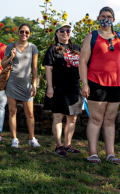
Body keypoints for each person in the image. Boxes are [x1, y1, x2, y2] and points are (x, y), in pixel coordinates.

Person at [79, 6, 120, 164]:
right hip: (96, 83)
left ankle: (110, 153)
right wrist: (85, 84)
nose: (105, 18)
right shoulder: (92, 36)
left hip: (117, 84)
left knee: (109, 119)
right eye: (102, 16)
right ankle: (93, 153)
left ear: (114, 20)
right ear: (98, 18)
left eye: (108, 16)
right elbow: (82, 61)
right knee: (95, 118)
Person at [44, 21, 83, 156]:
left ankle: (68, 145)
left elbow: (83, 67)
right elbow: (48, 69)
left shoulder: (77, 48)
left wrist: (85, 84)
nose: (65, 33)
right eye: (62, 30)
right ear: (56, 33)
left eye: (68, 30)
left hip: (74, 88)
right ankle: (58, 146)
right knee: (58, 117)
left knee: (72, 118)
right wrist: (50, 87)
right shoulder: (53, 49)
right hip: (58, 88)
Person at [2, 23, 40, 149]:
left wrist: (34, 84)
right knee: (12, 112)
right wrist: (11, 57)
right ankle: (14, 139)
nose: (24, 34)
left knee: (30, 113)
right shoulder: (10, 46)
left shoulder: (33, 48)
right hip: (12, 83)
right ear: (18, 33)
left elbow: (34, 68)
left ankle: (32, 138)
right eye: (22, 32)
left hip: (26, 84)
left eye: (27, 32)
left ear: (29, 34)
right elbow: (3, 64)